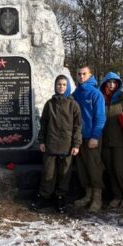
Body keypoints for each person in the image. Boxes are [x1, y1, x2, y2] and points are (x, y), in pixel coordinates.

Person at [32, 75, 81, 214]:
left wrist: (76, 144)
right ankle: (43, 196)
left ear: (68, 87)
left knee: (64, 174)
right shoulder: (49, 104)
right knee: (48, 173)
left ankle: (60, 197)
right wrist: (41, 141)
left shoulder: (73, 105)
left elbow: (78, 126)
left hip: (67, 146)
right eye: (59, 84)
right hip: (51, 145)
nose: (61, 87)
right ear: (55, 86)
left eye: (64, 85)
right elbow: (44, 123)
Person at [71, 66, 107, 212]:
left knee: (94, 167)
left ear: (90, 75)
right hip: (78, 138)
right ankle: (88, 194)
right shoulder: (76, 93)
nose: (81, 76)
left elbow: (100, 117)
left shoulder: (96, 94)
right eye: (78, 74)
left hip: (92, 137)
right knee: (82, 167)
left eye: (84, 74)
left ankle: (97, 198)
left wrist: (95, 136)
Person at [99, 71, 123, 209]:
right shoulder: (100, 97)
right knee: (109, 169)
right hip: (104, 139)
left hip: (119, 139)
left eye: (114, 82)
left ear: (118, 84)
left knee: (119, 169)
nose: (111, 85)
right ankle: (117, 195)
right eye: (109, 82)